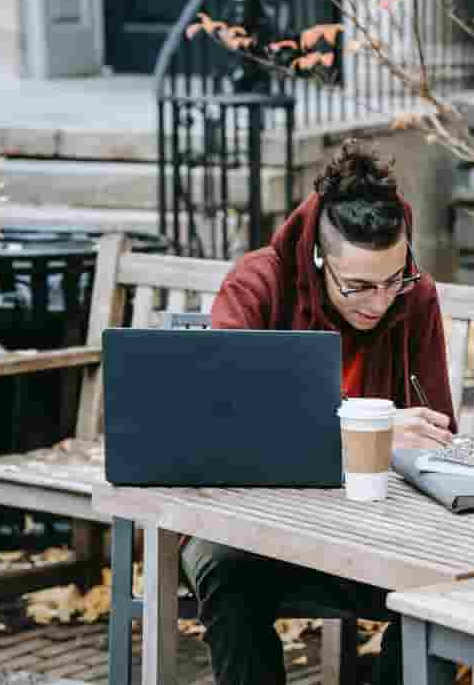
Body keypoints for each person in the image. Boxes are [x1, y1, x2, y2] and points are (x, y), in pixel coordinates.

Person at [182, 139, 456, 685]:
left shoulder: (415, 296)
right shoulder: (258, 284)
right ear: (317, 258)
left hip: (375, 529)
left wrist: (419, 443)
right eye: (357, 286)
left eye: (392, 280)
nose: (379, 303)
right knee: (223, 566)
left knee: (446, 589)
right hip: (258, 530)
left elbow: (435, 430)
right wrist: (369, 428)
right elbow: (221, 422)